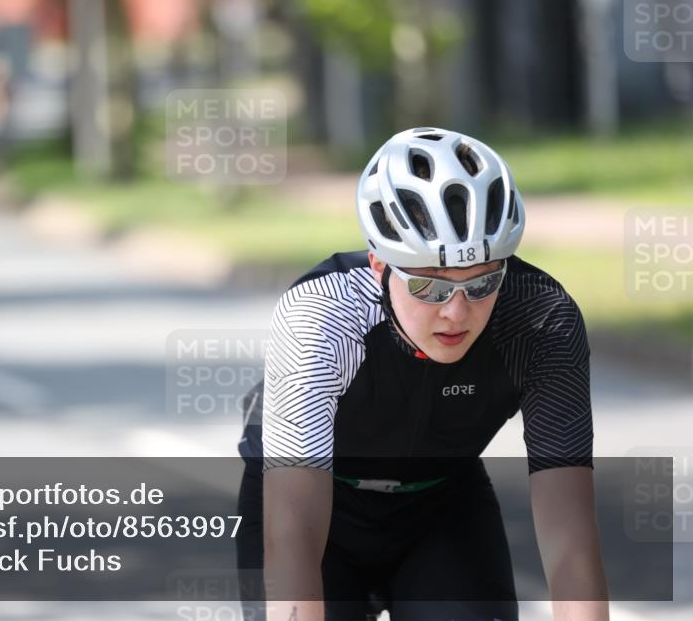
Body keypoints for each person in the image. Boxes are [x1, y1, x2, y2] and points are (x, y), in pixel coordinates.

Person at [237, 128, 608, 621]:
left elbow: (572, 550)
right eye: (429, 287)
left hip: (441, 505)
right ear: (378, 265)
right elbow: (293, 540)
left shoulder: (541, 320)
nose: (456, 312)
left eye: (482, 283)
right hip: (311, 509)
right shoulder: (322, 317)